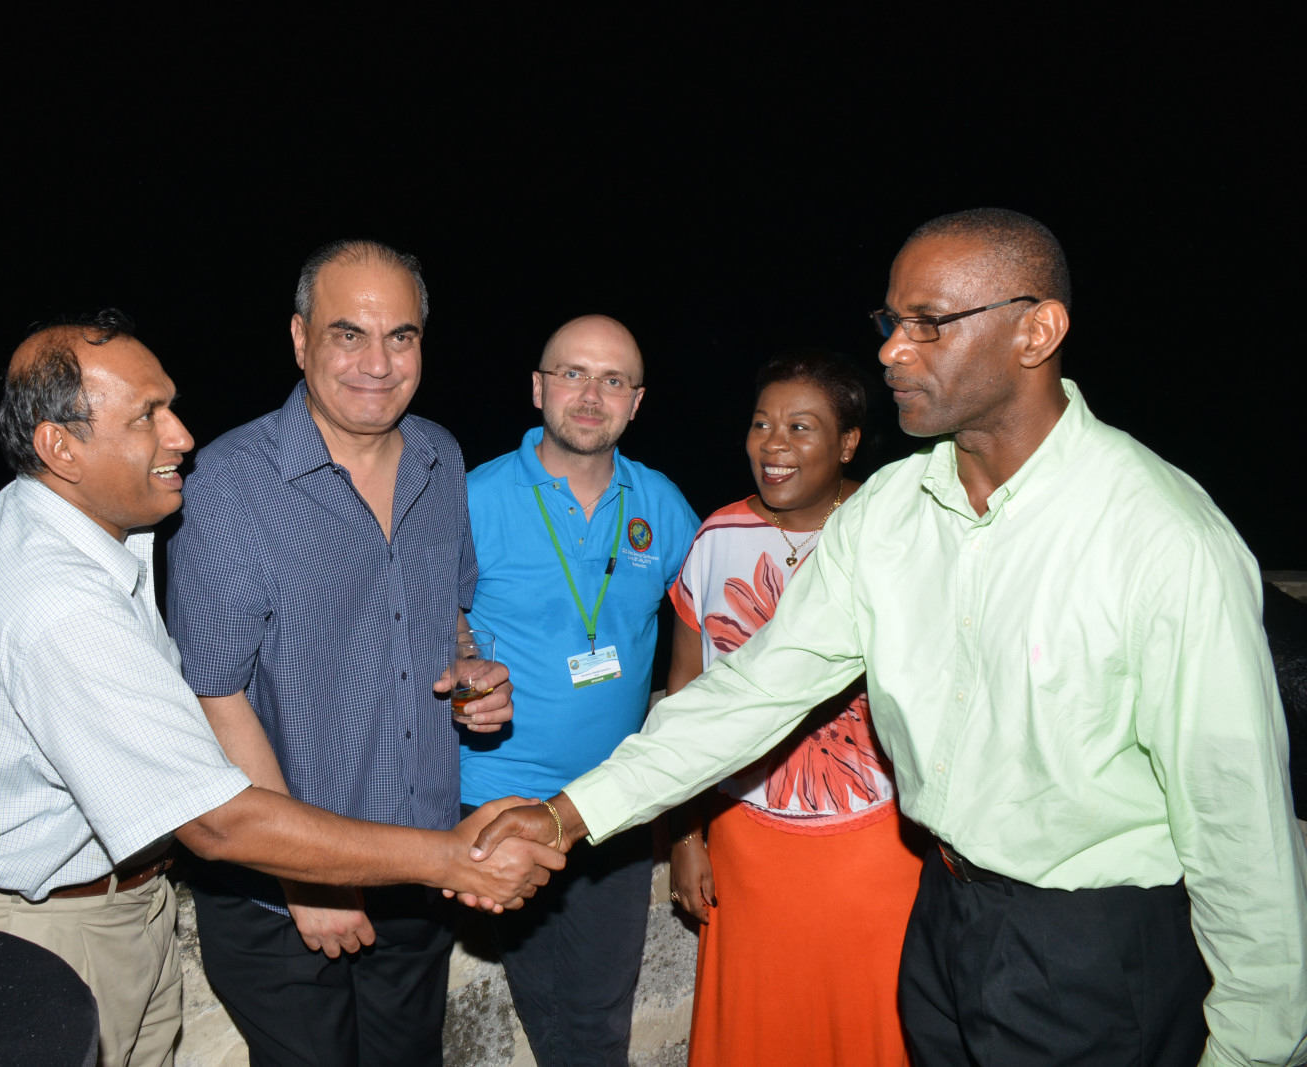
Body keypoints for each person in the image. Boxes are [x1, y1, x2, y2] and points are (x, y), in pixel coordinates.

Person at [472, 209, 1307, 1066]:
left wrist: (1255, 1047)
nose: (892, 351)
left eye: (929, 323)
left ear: (1037, 331)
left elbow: (1240, 831)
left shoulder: (1162, 538)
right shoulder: (889, 514)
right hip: (938, 919)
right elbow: (753, 691)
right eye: (891, 321)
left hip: (1091, 949)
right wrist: (567, 814)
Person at [0, 309, 561, 1067]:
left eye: (170, 406)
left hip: (112, 910)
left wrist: (461, 656)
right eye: (146, 416)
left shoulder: (56, 521)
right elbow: (217, 822)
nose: (182, 436)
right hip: (34, 937)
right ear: (60, 447)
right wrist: (452, 858)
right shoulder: (60, 601)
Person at [166, 241, 509, 1067]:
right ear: (300, 339)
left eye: (401, 336)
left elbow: (446, 610)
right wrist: (306, 877)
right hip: (281, 899)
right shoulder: (227, 483)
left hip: (416, 867)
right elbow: (213, 697)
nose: (378, 363)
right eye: (348, 334)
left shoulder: (441, 457)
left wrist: (468, 666)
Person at [665, 349, 923, 1065]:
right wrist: (685, 838)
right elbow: (685, 699)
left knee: (874, 1026)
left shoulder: (892, 529)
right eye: (761, 424)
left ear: (847, 442)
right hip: (747, 846)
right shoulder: (717, 539)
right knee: (758, 1027)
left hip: (880, 843)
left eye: (800, 427)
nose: (773, 444)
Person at [459, 315, 697, 1064]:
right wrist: (461, 672)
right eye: (573, 374)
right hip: (499, 797)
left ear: (637, 401)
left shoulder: (660, 504)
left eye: (613, 380)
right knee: (551, 1009)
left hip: (614, 801)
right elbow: (423, 622)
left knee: (597, 1017)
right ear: (538, 388)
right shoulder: (472, 498)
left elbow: (712, 623)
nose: (592, 395)